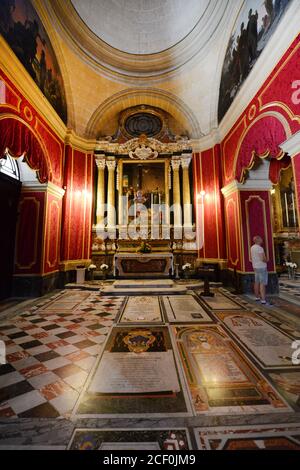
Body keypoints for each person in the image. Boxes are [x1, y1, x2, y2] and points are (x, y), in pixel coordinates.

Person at [250, 235, 271, 305]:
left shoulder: (252, 247)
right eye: (261, 239)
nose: (262, 240)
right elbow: (263, 259)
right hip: (261, 267)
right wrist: (267, 260)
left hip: (255, 267)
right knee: (262, 283)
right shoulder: (260, 248)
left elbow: (251, 258)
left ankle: (256, 297)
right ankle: (263, 299)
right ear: (258, 240)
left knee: (257, 282)